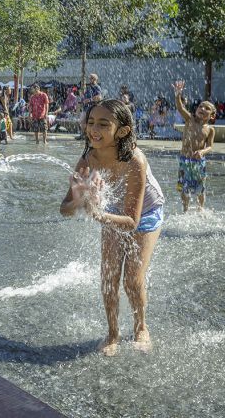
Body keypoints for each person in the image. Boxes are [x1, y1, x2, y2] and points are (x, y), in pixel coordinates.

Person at [60, 99, 164, 356]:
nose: (94, 129)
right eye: (91, 122)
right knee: (108, 276)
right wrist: (79, 196)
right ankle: (113, 333)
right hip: (113, 212)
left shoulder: (135, 160)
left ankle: (141, 327)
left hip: (146, 214)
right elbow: (65, 209)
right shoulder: (88, 158)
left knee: (131, 278)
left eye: (103, 124)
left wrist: (96, 212)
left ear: (122, 131)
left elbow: (132, 222)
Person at [173, 81, 215, 212]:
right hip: (184, 160)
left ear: (212, 116)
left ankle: (200, 208)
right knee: (184, 187)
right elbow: (180, 108)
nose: (202, 109)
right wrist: (178, 94)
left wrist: (202, 151)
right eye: (201, 106)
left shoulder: (210, 129)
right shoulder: (189, 120)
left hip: (199, 162)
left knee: (200, 187)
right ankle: (185, 208)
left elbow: (210, 146)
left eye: (207, 108)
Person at [78, 74, 103, 139]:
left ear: (95, 79)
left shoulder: (97, 87)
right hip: (86, 108)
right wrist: (82, 100)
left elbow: (99, 97)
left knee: (86, 121)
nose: (90, 79)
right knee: (82, 121)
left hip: (92, 108)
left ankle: (86, 135)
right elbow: (85, 96)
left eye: (91, 78)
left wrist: (89, 100)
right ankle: (85, 135)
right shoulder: (89, 87)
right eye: (90, 78)